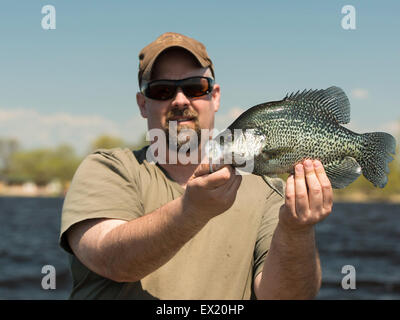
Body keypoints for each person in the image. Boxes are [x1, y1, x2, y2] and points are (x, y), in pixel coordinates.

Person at [59, 32, 333, 300]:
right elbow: (112, 261)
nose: (180, 100)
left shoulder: (268, 190)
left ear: (214, 96)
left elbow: (286, 297)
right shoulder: (108, 169)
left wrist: (296, 230)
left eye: (194, 88)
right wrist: (192, 211)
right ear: (143, 104)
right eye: (162, 90)